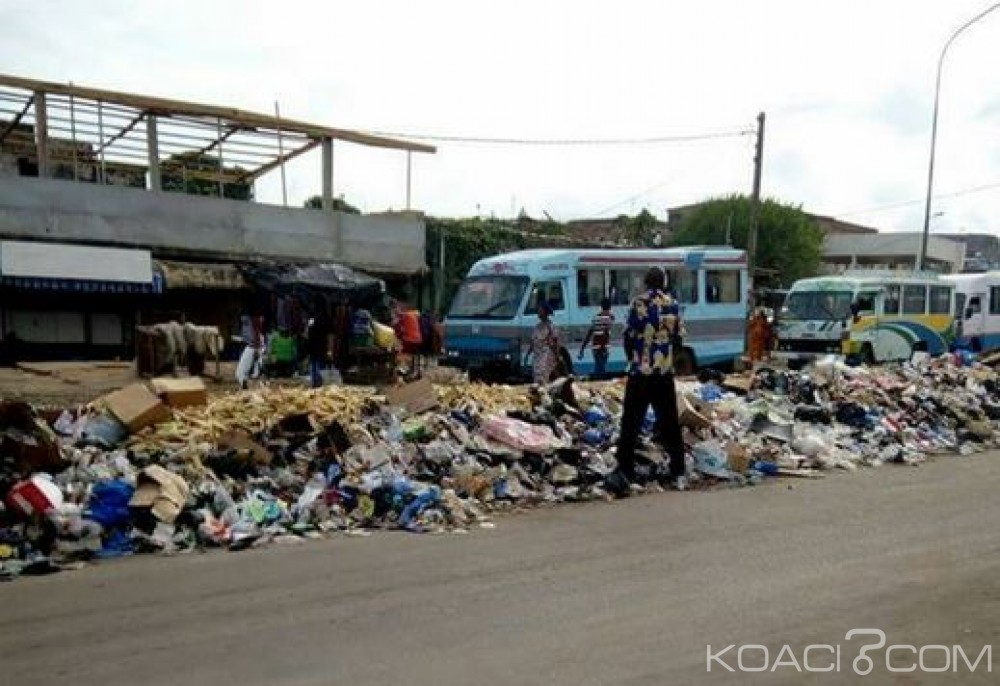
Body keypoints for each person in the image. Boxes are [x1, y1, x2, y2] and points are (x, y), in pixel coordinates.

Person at [614, 266, 687, 493]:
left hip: (641, 373)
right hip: (663, 373)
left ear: (646, 282)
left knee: (631, 422)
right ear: (663, 283)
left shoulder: (638, 303)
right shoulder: (672, 304)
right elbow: (679, 340)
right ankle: (678, 468)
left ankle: (626, 468)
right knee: (669, 422)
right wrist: (667, 359)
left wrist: (633, 359)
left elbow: (628, 337)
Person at [578, 297, 614, 379]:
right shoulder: (609, 318)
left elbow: (589, 333)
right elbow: (605, 334)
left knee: (599, 368)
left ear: (601, 306)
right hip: (603, 348)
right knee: (601, 371)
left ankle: (594, 380)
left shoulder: (596, 317)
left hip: (595, 348)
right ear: (610, 307)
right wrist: (603, 348)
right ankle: (595, 382)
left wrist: (582, 349)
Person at [531, 301, 561, 385]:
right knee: (537, 375)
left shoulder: (550, 326)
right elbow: (533, 341)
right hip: (537, 356)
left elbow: (555, 341)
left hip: (546, 355)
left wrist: (557, 355)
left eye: (540, 311)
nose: (538, 313)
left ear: (545, 312)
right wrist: (528, 354)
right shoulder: (537, 326)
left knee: (543, 375)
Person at [235, 313, 265, 389]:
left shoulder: (254, 318)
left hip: (253, 346)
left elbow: (257, 331)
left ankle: (247, 388)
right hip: (253, 345)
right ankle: (247, 386)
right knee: (245, 374)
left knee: (240, 374)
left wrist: (256, 348)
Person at [306, 309, 334, 388]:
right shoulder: (327, 320)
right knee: (320, 368)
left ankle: (313, 385)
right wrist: (330, 351)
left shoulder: (311, 320)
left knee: (313, 366)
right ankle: (319, 386)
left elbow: (306, 333)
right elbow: (330, 337)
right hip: (322, 348)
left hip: (312, 347)